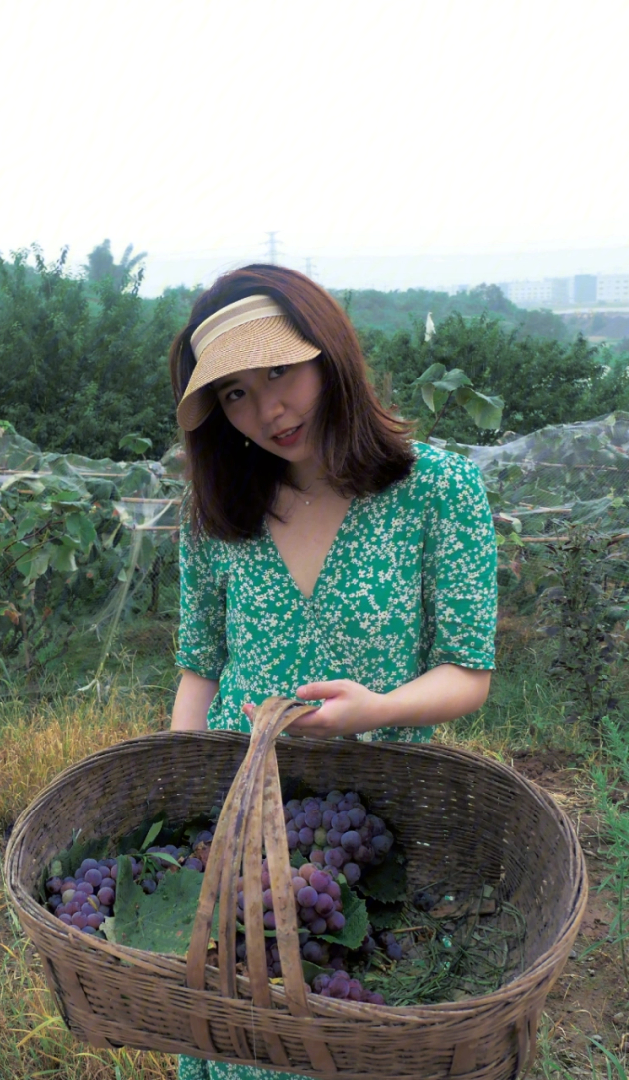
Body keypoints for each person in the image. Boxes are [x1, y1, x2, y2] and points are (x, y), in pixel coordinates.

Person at [168, 264, 497, 1080]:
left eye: (280, 372)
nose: (267, 409)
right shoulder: (219, 514)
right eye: (236, 394)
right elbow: (199, 669)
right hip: (243, 820)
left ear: (330, 353)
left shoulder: (439, 491)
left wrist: (375, 708)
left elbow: (468, 670)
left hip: (376, 832)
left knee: (358, 1025)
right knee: (243, 1036)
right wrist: (181, 806)